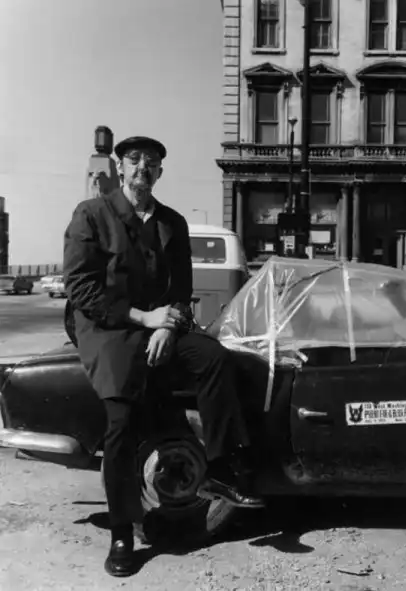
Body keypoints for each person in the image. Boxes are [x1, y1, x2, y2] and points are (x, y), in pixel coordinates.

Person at [63, 136, 263, 578]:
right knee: (121, 420)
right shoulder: (91, 214)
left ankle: (220, 470)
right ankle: (121, 533)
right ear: (120, 167)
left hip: (160, 325)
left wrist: (169, 327)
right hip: (110, 329)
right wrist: (143, 317)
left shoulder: (172, 221)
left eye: (151, 162)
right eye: (134, 160)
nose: (143, 168)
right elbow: (81, 289)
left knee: (214, 357)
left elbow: (181, 289)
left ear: (159, 172)